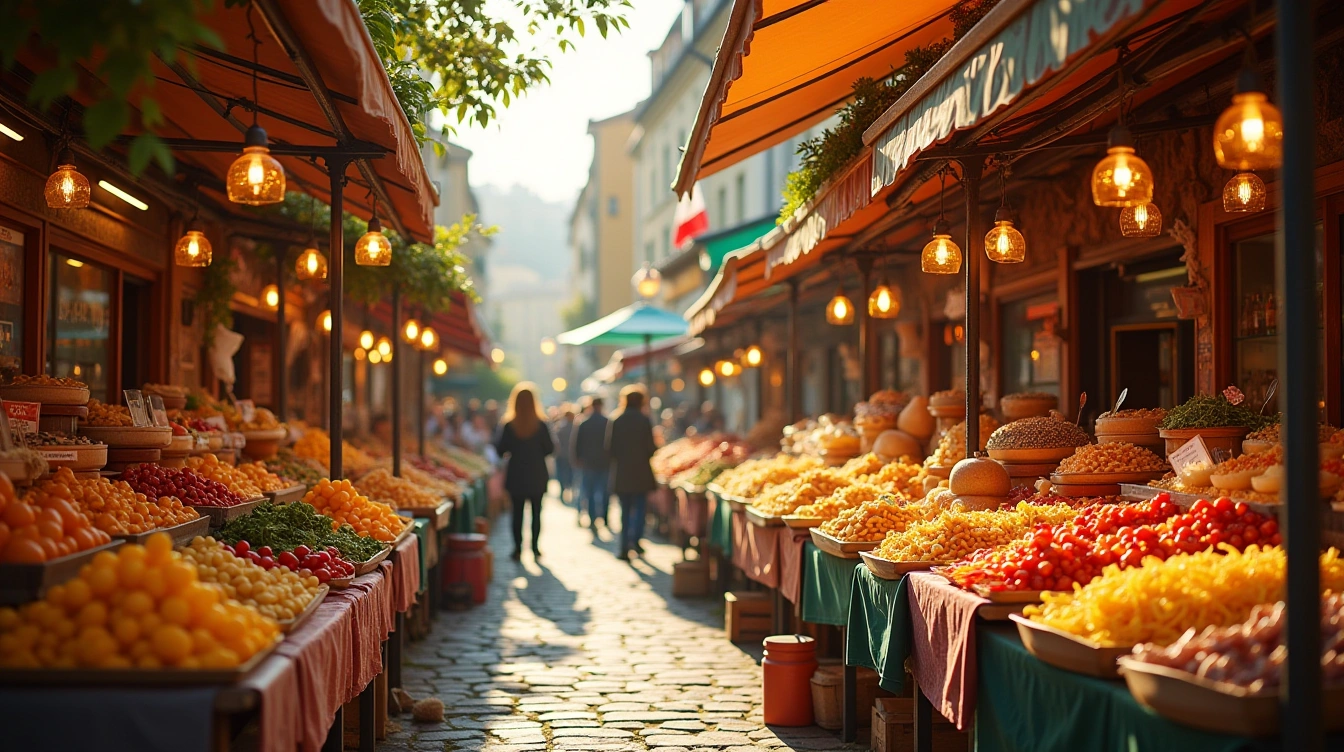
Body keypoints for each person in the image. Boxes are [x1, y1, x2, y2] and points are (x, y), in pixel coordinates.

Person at [494, 382, 555, 561]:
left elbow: (500, 450)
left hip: (517, 475)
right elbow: (550, 449)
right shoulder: (541, 425)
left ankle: (517, 548)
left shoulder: (509, 425)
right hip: (537, 474)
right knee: (536, 513)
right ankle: (535, 547)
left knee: (517, 514)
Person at [606, 385, 657, 561]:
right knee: (640, 509)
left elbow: (610, 448)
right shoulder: (644, 420)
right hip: (641, 472)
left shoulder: (616, 420)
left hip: (623, 472)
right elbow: (651, 447)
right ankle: (635, 540)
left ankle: (624, 546)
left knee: (625, 510)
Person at [571, 396, 610, 532]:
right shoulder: (607, 422)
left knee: (590, 492)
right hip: (604, 462)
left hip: (588, 462)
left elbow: (576, 443)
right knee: (604, 491)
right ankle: (604, 517)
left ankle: (593, 518)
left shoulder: (584, 423)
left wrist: (577, 459)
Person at [553, 406, 577, 504]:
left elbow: (556, 442)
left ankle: (563, 489)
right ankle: (570, 489)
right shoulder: (576, 427)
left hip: (561, 455)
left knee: (561, 474)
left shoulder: (560, 427)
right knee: (571, 474)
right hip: (571, 456)